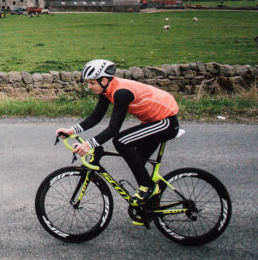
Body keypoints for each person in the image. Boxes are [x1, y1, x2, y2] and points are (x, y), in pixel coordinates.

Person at [56, 59, 180, 206]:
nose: (89, 87)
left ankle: (150, 188)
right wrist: (71, 130)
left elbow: (113, 129)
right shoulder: (107, 89)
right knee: (137, 160)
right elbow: (96, 117)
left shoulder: (121, 92)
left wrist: (89, 145)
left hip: (166, 121)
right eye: (87, 83)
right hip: (152, 121)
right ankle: (151, 203)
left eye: (92, 83)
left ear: (103, 80)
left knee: (121, 141)